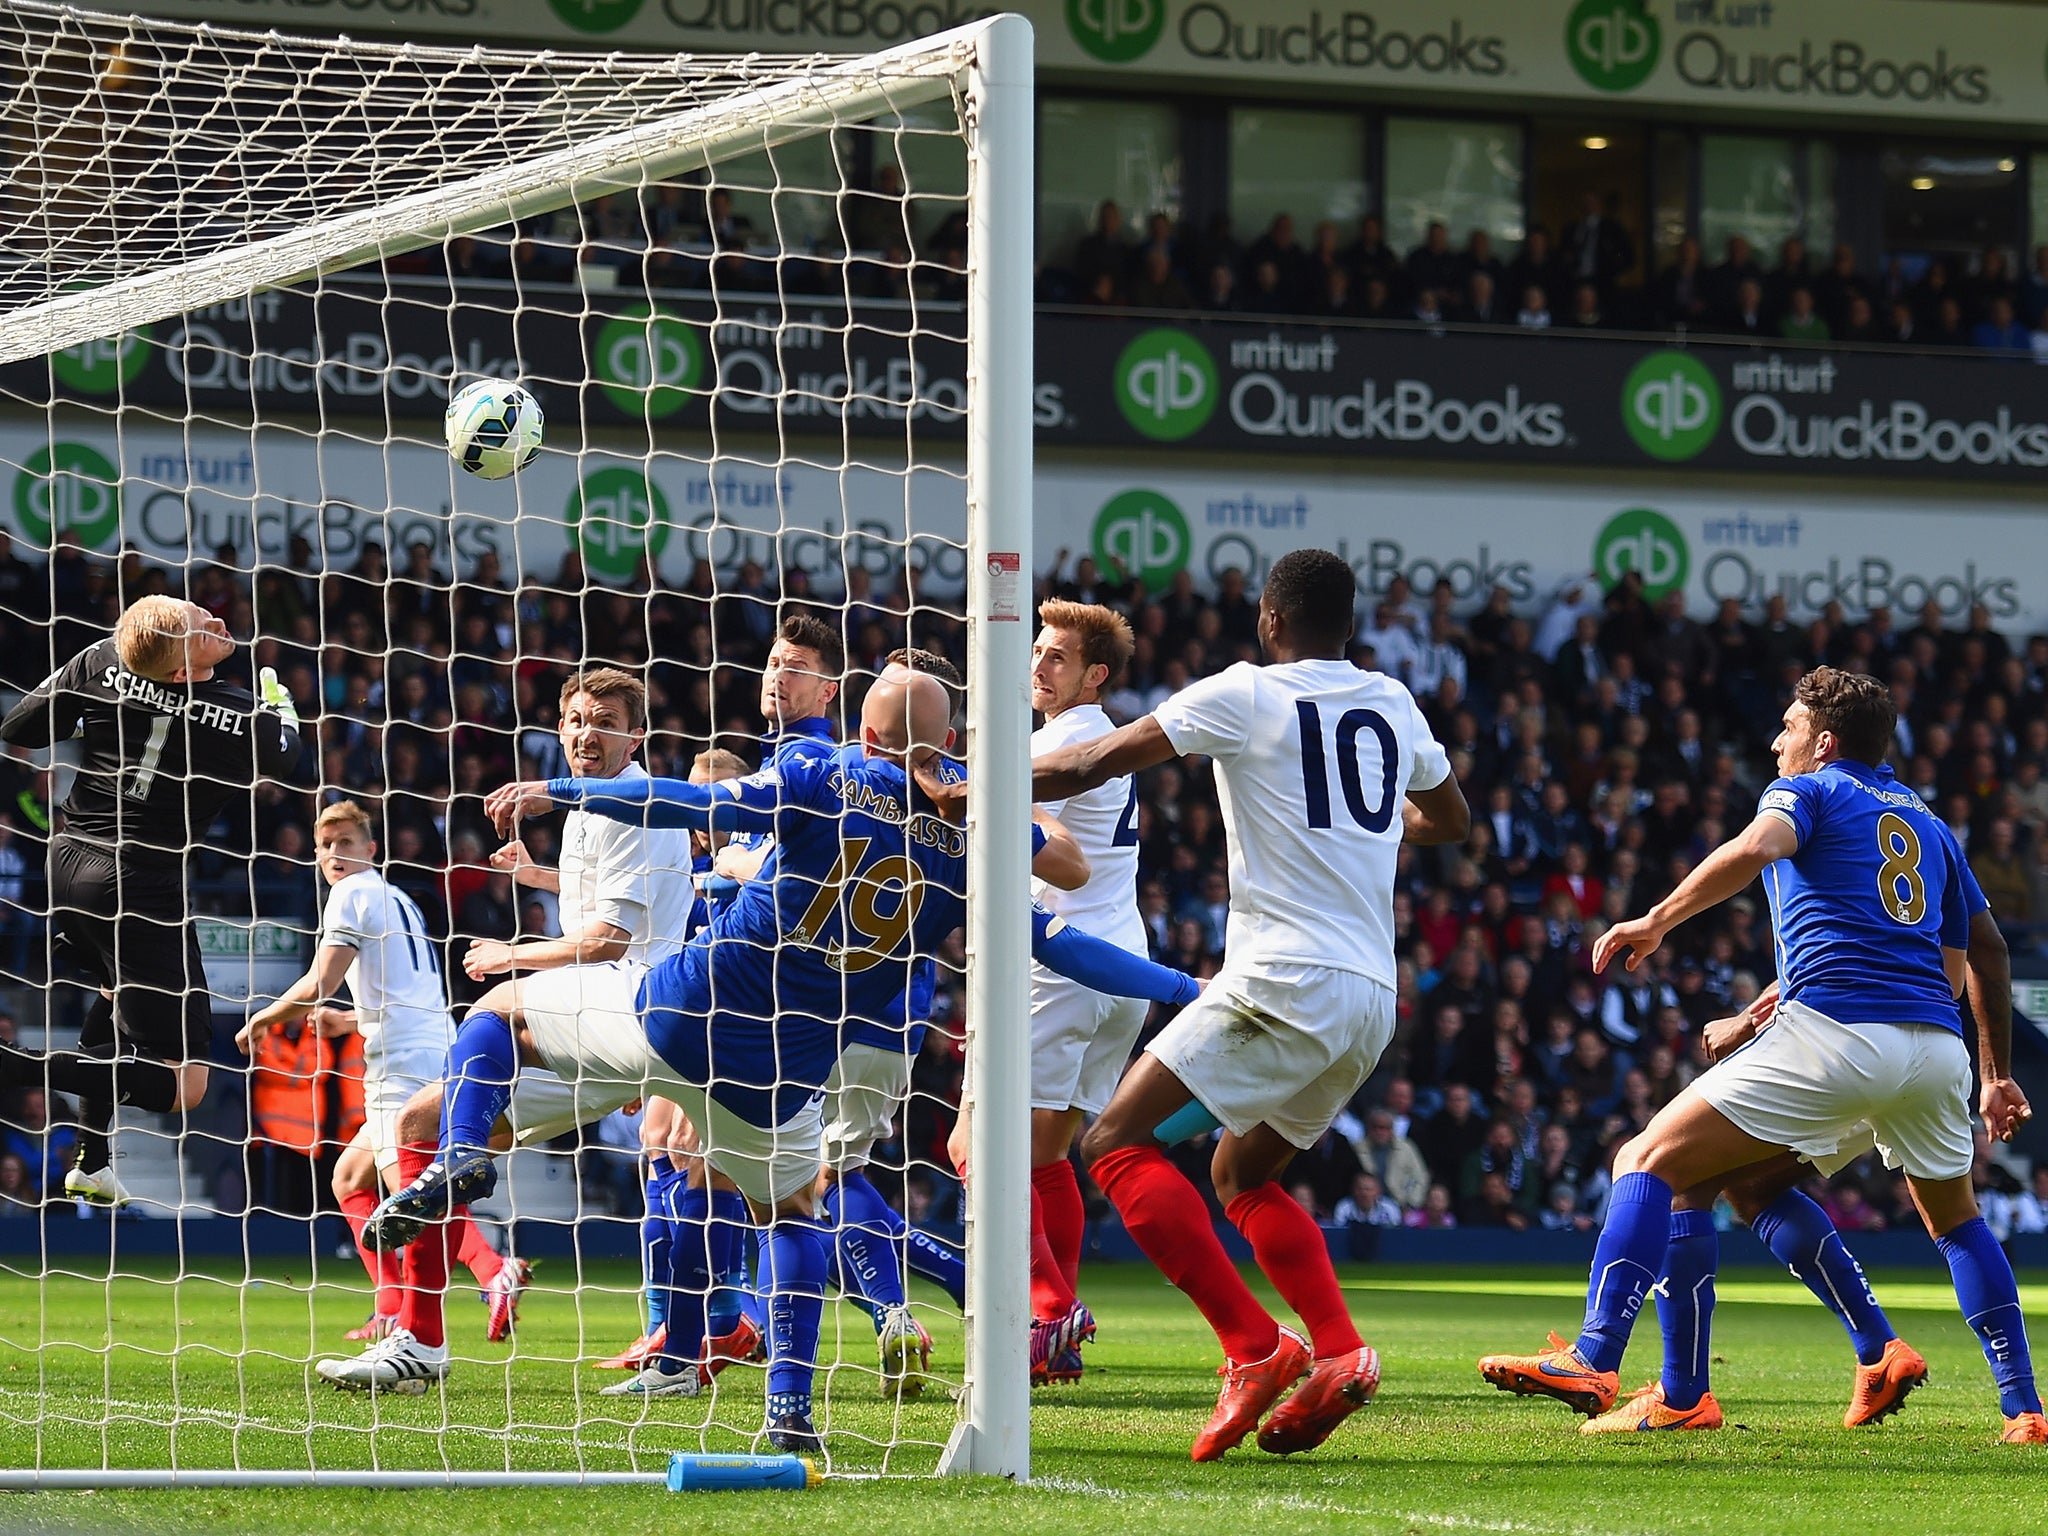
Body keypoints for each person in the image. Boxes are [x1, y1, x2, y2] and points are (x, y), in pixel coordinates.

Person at [1479, 668, 2045, 1444]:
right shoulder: (1930, 826)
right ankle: (2017, 1407)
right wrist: (1995, 1073)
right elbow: (1975, 955)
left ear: (1824, 742)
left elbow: (1755, 848)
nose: (1777, 741)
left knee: (1646, 1160)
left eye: (1788, 728)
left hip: (1837, 1037)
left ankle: (1596, 1357)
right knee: (1895, 1213)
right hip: (1933, 1051)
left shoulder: (1808, 794)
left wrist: (1657, 918)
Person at [1032, 548, 1471, 1462]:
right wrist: (1375, 827)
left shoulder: (1246, 690)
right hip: (1369, 996)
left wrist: (966, 789)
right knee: (1243, 1175)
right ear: (1347, 627)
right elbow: (1451, 819)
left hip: (1283, 978)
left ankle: (1254, 1347)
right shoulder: (1393, 701)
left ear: (1270, 620)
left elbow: (1094, 760)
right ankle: (1340, 1352)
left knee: (1114, 1143)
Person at [322, 668, 694, 1392]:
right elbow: (611, 902)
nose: (589, 732)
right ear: (560, 728)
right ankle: (420, 1344)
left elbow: (608, 942)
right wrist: (539, 878)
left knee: (492, 1009)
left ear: (636, 735)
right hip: (603, 1026)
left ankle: (462, 1164)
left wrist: (508, 955)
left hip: (637, 1007)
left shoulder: (639, 804)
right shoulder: (591, 809)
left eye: (606, 720)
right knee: (416, 1120)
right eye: (578, 719)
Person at [0, 596, 303, 1202]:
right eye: (200, 630)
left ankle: (92, 1155)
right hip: (139, 884)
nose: (216, 622)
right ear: (181, 669)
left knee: (111, 998)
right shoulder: (243, 716)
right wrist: (284, 712)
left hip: (68, 863)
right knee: (185, 1084)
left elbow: (18, 730)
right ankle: (16, 1067)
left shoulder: (100, 661)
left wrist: (91, 702)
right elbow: (293, 759)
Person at [236, 801, 502, 1360]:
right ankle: (392, 1302)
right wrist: (348, 1020)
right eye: (326, 844)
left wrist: (264, 1017)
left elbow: (319, 980)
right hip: (439, 1046)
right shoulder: (398, 898)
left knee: (414, 1196)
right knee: (350, 1176)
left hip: (400, 1066)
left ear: (370, 849)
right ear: (315, 852)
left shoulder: (350, 894)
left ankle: (479, 1281)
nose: (336, 853)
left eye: (347, 842)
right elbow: (405, 995)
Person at [1019, 601, 1146, 1378]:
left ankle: (1052, 1310)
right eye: (1037, 649)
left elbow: (1054, 855)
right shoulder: (1096, 740)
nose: (1039, 664)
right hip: (1118, 962)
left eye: (1058, 656)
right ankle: (1051, 1341)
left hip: (1063, 962)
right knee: (1045, 1158)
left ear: (1094, 676)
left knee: (978, 1149)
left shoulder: (1061, 741)